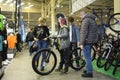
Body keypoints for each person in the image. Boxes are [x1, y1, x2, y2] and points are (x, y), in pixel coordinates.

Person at [79, 11, 98, 78]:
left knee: (87, 57)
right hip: (91, 40)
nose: (80, 18)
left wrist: (81, 43)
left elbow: (84, 32)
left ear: (82, 15)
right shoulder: (92, 20)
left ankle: (89, 72)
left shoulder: (85, 20)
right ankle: (88, 69)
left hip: (87, 41)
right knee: (88, 56)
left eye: (80, 17)